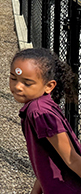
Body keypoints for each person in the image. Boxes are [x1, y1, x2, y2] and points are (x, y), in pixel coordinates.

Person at [9, 48, 81, 193]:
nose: (17, 86)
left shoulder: (39, 112)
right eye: (13, 78)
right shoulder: (38, 107)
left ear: (49, 86)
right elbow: (48, 157)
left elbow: (71, 158)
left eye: (27, 83)